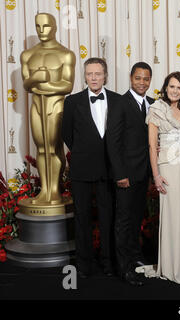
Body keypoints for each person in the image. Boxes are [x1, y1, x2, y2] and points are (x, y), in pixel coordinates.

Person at [138, 71, 180, 285]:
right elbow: (151, 145)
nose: (175, 91)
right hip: (168, 165)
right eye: (172, 86)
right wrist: (156, 175)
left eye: (179, 88)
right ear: (165, 87)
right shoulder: (156, 108)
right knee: (174, 213)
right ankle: (173, 265)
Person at [62, 57, 119, 278]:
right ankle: (84, 265)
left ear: (105, 75)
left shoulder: (117, 100)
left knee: (108, 217)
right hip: (82, 169)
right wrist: (84, 152)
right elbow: (67, 133)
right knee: (82, 217)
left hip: (109, 169)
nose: (94, 78)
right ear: (84, 76)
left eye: (98, 74)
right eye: (89, 74)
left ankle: (108, 262)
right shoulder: (72, 101)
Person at [106, 62, 155, 286]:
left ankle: (135, 257)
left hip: (144, 173)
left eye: (146, 79)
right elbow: (113, 142)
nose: (142, 82)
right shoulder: (119, 103)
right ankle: (124, 267)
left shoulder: (154, 104)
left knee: (137, 218)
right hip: (126, 174)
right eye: (138, 78)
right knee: (124, 221)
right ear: (130, 78)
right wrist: (120, 174)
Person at [21, 12, 75, 205]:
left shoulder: (65, 54)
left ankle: (55, 191)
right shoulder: (28, 55)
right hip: (37, 105)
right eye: (38, 26)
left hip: (56, 105)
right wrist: (36, 78)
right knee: (41, 148)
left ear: (55, 27)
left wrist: (43, 85)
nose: (42, 31)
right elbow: (27, 85)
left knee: (53, 147)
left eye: (46, 26)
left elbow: (67, 86)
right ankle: (44, 190)